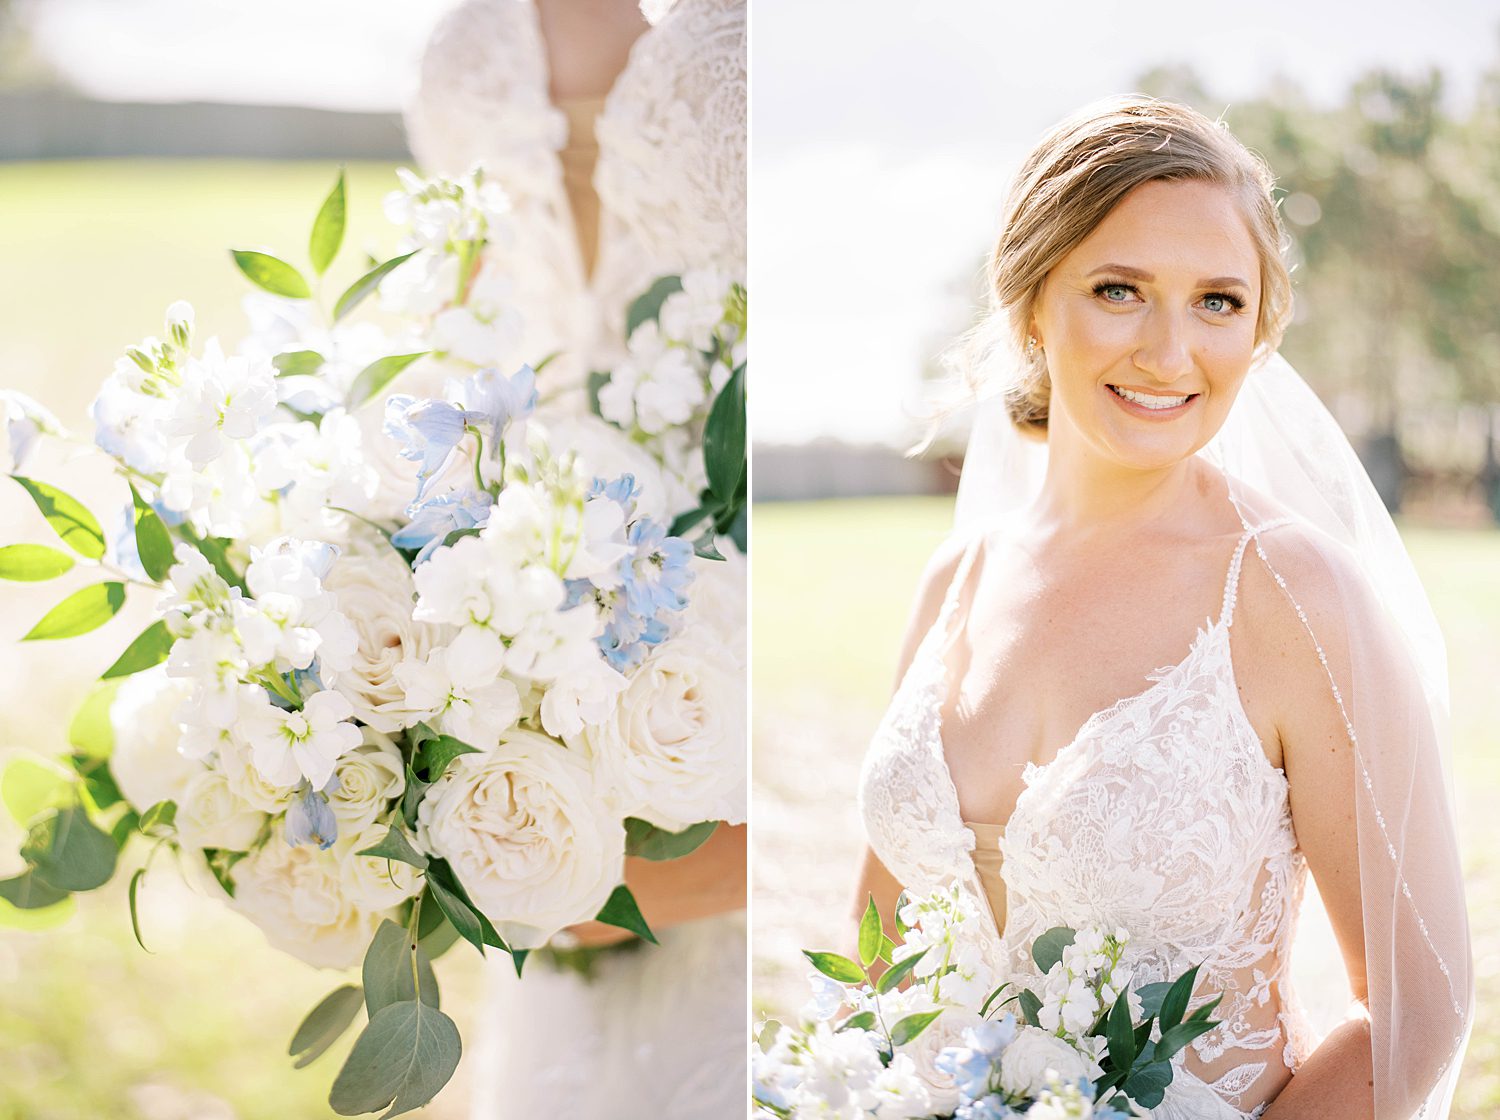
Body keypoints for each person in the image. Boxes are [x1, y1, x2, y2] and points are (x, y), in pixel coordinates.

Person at [856, 96, 1473, 1119]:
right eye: (1119, 289)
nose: (1169, 351)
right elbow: (879, 957)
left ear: (1260, 329)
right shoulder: (952, 581)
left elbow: (1423, 1003)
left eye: (1218, 302)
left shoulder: (1290, 593)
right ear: (1030, 303)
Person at [404, 1, 747, 1116]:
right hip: (523, 704)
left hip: (745, 700)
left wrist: (673, 859)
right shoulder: (468, 49)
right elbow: (449, 360)